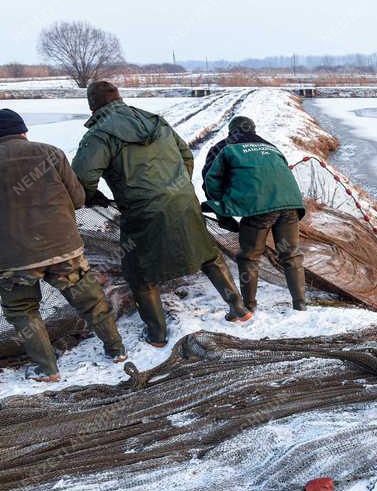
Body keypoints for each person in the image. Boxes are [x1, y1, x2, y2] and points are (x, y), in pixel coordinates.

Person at [72, 82, 252, 348]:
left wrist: (89, 196)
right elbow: (186, 156)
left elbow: (82, 177)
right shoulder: (156, 121)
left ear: (92, 105)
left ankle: (157, 335)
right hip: (183, 201)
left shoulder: (99, 135)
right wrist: (178, 188)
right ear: (119, 97)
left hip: (142, 209)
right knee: (208, 254)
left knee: (139, 272)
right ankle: (239, 309)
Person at [0, 108, 126, 381]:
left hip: (12, 259)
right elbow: (78, 199)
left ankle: (47, 369)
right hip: (63, 248)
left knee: (23, 311)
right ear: (23, 132)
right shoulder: (52, 153)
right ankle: (117, 350)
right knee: (91, 302)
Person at [202, 116, 306, 312]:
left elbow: (210, 178)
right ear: (254, 129)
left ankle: (248, 306)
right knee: (291, 255)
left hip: (259, 206)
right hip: (290, 202)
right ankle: (300, 305)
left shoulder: (224, 147)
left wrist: (220, 207)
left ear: (230, 132)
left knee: (249, 257)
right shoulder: (270, 146)